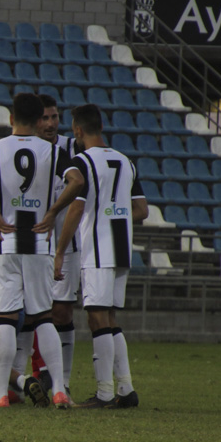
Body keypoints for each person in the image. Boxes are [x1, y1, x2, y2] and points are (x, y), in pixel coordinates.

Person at [0, 92, 82, 408]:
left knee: (5, 318)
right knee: (43, 317)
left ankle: (2, 394)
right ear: (40, 118)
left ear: (11, 118)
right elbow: (77, 180)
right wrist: (53, 211)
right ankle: (58, 389)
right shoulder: (53, 152)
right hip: (39, 243)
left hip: (5, 243)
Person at [51, 103, 148, 409]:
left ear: (78, 130)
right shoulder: (125, 161)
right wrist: (114, 214)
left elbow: (76, 209)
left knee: (96, 317)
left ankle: (105, 393)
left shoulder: (82, 162)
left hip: (97, 249)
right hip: (122, 251)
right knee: (109, 318)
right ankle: (126, 389)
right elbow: (142, 210)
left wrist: (59, 251)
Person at [23, 93, 81, 399]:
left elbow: (79, 198)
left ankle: (63, 381)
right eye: (44, 118)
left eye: (54, 117)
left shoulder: (71, 149)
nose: (50, 123)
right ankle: (30, 377)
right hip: (30, 243)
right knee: (25, 311)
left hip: (65, 245)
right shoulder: (24, 151)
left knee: (60, 313)